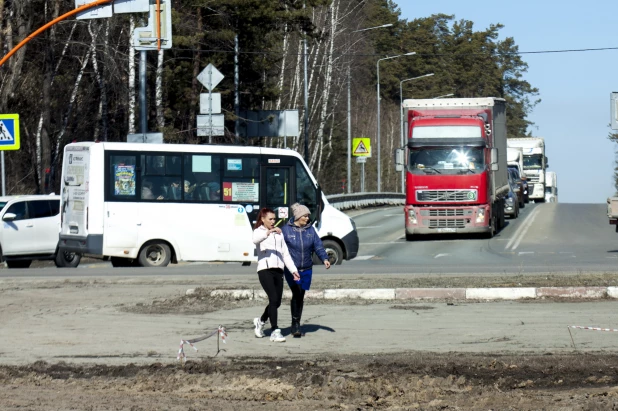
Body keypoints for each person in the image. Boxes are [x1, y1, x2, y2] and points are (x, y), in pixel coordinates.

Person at [281, 203, 330, 338]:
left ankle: (296, 322)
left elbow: (318, 246)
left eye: (308, 216)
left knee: (300, 295)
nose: (307, 218)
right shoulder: (286, 230)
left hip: (307, 269)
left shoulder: (310, 230)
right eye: (305, 216)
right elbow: (280, 248)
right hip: (292, 269)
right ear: (298, 216)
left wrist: (324, 258)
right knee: (296, 292)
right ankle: (295, 324)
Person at [252, 208, 299, 343]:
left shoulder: (279, 233)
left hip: (279, 270)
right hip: (265, 269)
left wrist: (293, 270)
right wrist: (269, 232)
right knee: (273, 298)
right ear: (263, 219)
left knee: (276, 301)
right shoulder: (259, 232)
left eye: (274, 219)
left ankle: (260, 321)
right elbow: (255, 240)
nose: (273, 222)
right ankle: (275, 330)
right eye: (270, 219)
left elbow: (285, 254)